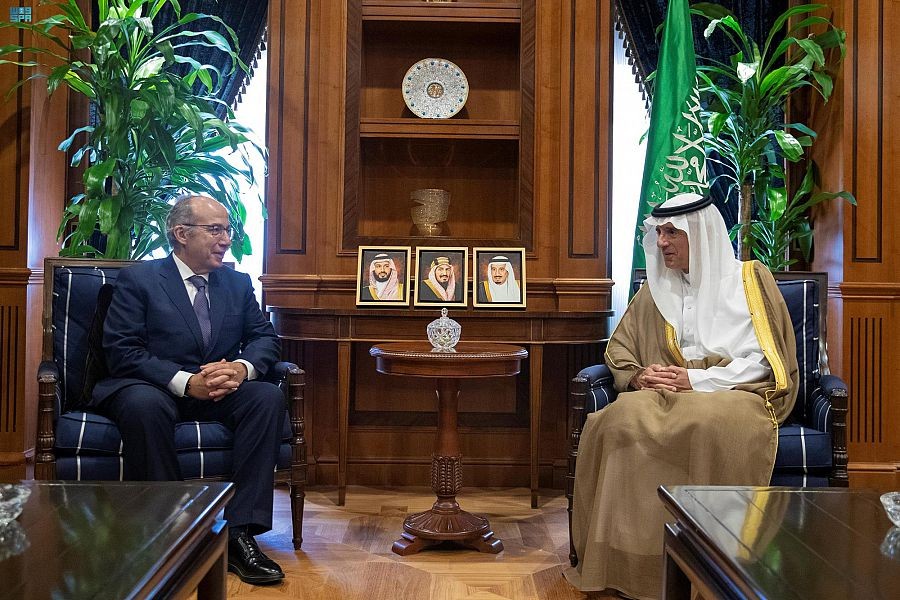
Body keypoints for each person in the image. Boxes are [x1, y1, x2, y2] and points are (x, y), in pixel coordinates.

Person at [564, 192, 798, 600]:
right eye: (659, 233)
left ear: (701, 234)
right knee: (620, 421)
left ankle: (711, 568)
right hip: (665, 391)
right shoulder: (656, 289)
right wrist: (640, 375)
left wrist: (698, 379)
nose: (662, 243)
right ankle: (627, 564)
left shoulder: (749, 280)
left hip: (733, 390)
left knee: (705, 423)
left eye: (672, 233)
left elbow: (765, 361)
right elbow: (622, 348)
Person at [92, 194, 287, 586]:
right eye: (215, 230)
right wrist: (185, 382)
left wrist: (240, 369)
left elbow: (264, 338)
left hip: (218, 390)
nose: (226, 239)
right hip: (154, 386)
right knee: (144, 405)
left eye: (227, 230)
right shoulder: (140, 280)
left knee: (266, 396)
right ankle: (171, 532)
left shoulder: (236, 283)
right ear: (181, 234)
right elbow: (123, 350)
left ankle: (239, 534)